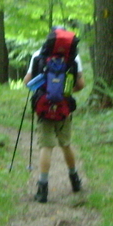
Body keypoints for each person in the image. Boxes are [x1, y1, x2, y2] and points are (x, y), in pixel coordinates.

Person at [22, 28, 86, 203]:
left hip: (44, 106)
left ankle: (42, 190)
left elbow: (27, 82)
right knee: (66, 144)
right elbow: (81, 84)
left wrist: (45, 90)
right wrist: (65, 91)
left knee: (46, 146)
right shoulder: (74, 57)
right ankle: (75, 181)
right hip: (64, 107)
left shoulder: (38, 55)